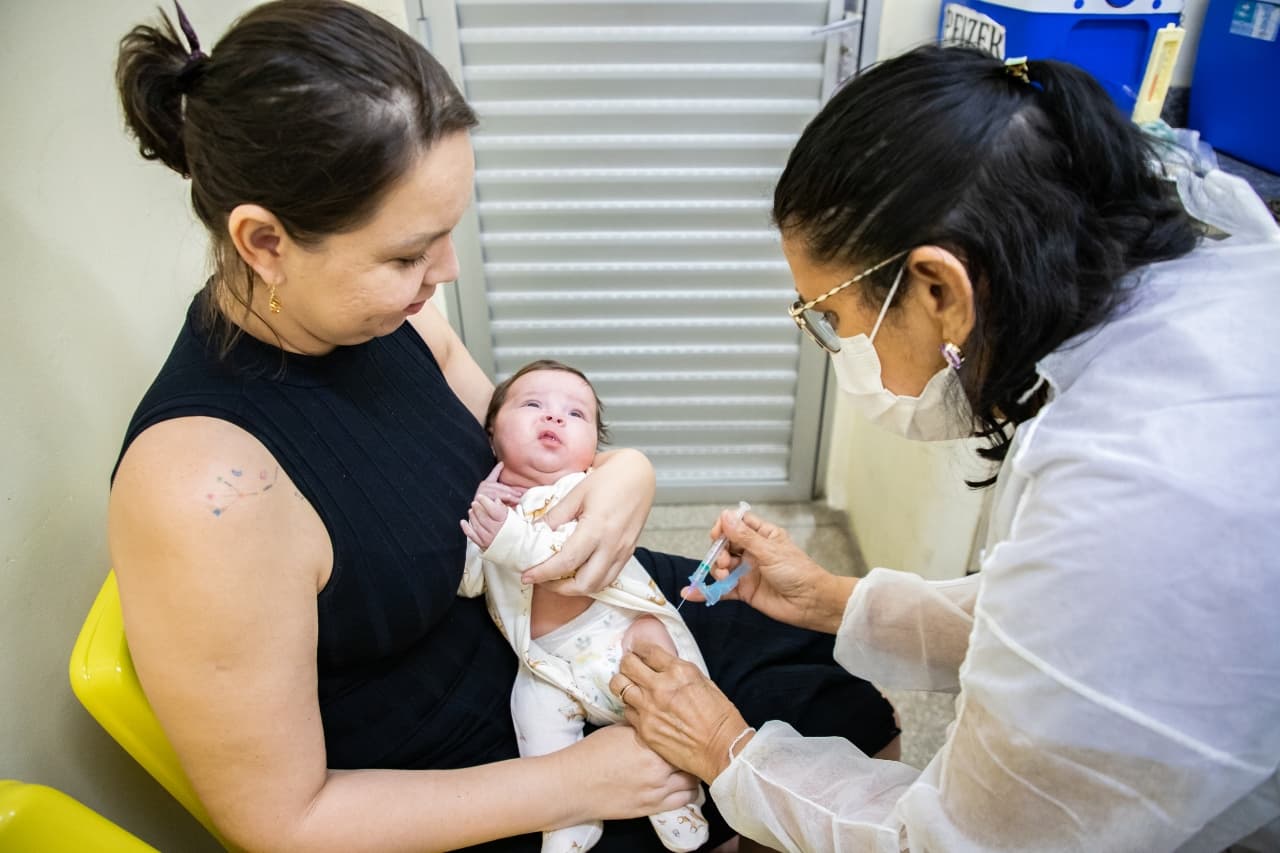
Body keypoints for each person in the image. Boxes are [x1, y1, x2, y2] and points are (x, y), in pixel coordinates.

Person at [106, 2, 900, 850]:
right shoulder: (204, 491)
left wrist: (624, 472)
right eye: (408, 254)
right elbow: (282, 821)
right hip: (451, 764)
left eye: (447, 235)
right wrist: (578, 780)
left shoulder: (384, 316)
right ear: (265, 242)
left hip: (549, 609)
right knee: (753, 797)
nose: (444, 273)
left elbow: (517, 443)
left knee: (843, 705)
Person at [612, 46, 1280, 852]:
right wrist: (833, 600)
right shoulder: (1179, 307)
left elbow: (960, 842)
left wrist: (729, 748)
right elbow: (1054, 629)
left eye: (831, 317)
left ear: (941, 290)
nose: (837, 347)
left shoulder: (1137, 492)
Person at [458, 360, 712, 853]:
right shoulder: (489, 504)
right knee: (533, 713)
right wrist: (478, 524)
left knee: (660, 669)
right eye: (533, 404)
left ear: (594, 446)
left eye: (575, 414)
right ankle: (568, 819)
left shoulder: (581, 491)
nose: (554, 417)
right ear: (491, 432)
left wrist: (504, 537)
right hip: (549, 661)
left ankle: (677, 793)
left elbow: (565, 559)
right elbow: (470, 584)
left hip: (618, 631)